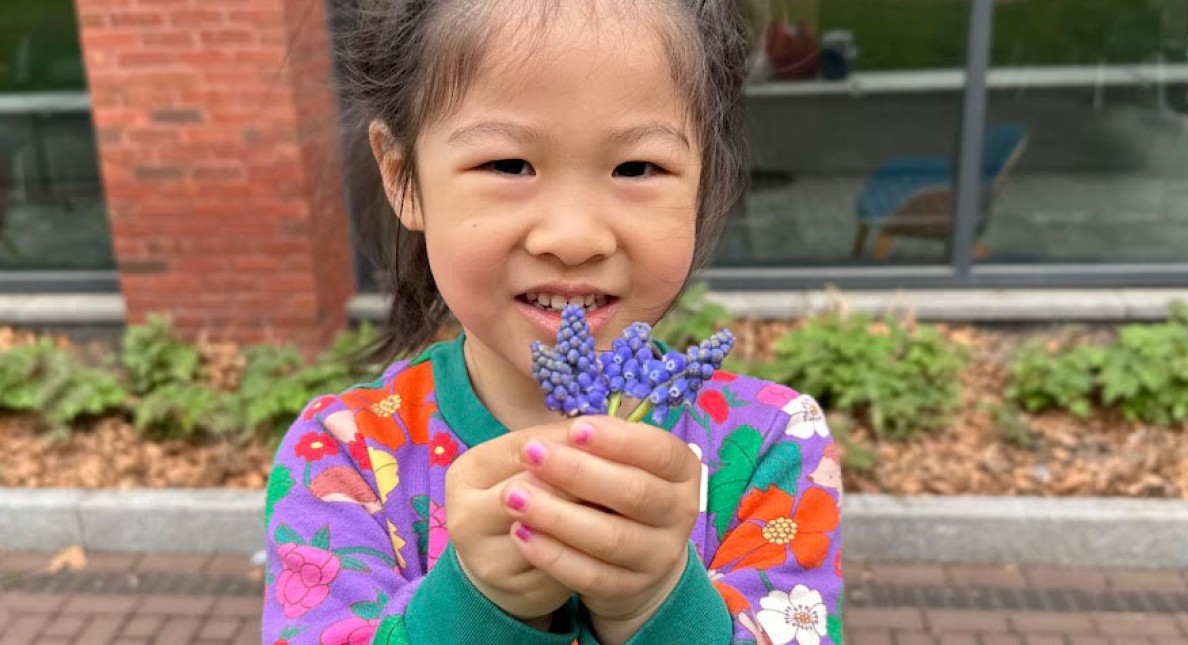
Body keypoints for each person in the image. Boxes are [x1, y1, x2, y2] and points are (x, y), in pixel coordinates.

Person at [261, 1, 843, 643]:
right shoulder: (347, 457)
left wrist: (658, 604)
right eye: (508, 165)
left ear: (703, 183)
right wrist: (475, 606)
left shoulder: (768, 448)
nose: (573, 238)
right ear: (403, 178)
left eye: (637, 168)